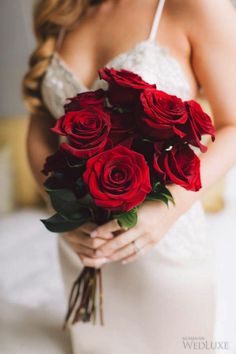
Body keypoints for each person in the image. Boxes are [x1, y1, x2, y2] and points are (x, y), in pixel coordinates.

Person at [23, 0, 236, 353]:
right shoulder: (62, 10)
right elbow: (41, 127)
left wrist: (167, 211)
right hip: (82, 252)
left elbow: (234, 125)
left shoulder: (197, 6)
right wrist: (61, 209)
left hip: (163, 250)